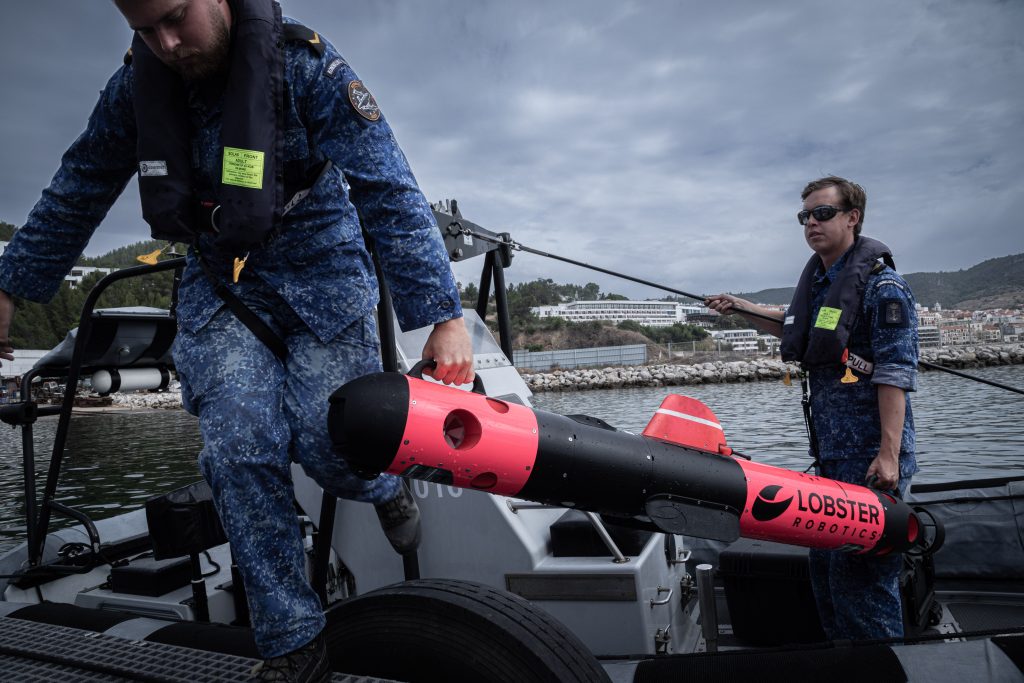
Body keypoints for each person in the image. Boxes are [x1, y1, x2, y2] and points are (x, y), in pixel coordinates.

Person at [0, 0, 474, 679]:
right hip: (223, 284)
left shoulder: (305, 66)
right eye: (144, 31)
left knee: (334, 440)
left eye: (175, 17)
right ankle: (294, 642)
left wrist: (443, 314)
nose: (166, 43)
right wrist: (8, 284)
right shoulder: (134, 88)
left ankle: (384, 480)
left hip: (322, 267)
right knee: (236, 446)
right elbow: (80, 183)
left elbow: (387, 185)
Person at [706, 176, 918, 641]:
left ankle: (884, 670)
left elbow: (894, 375)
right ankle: (847, 667)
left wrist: (888, 455)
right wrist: (739, 306)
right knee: (826, 578)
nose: (811, 224)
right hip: (830, 460)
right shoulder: (825, 284)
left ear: (852, 217)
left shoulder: (884, 290)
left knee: (862, 585)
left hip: (867, 460)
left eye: (822, 213)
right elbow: (794, 326)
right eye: (805, 216)